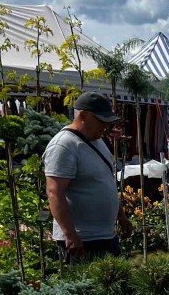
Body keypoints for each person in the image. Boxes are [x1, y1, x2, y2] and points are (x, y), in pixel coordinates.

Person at [44, 91, 127, 260]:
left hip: (104, 236)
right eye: (100, 121)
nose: (104, 126)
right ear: (83, 115)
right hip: (82, 239)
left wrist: (121, 215)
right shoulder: (64, 145)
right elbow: (55, 193)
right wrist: (70, 235)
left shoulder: (97, 141)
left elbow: (105, 180)